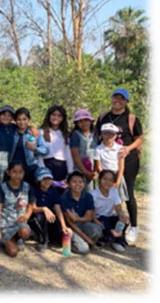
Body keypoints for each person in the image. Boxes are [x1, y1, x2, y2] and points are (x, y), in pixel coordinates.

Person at [95, 88, 143, 245]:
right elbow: (96, 137)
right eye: (115, 97)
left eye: (121, 99)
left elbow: (140, 138)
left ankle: (133, 226)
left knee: (127, 192)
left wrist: (128, 149)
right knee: (106, 191)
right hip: (106, 160)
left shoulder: (131, 118)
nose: (118, 101)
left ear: (126, 101)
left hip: (127, 161)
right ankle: (110, 224)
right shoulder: (103, 117)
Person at [0, 161, 34, 257]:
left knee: (25, 232)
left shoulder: (27, 187)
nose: (17, 175)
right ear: (8, 172)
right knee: (13, 253)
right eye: (14, 172)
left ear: (24, 173)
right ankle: (8, 239)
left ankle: (18, 238)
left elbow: (31, 205)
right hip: (6, 224)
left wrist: (27, 216)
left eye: (20, 172)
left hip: (20, 222)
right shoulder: (3, 188)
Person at [28, 166, 71, 251]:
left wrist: (63, 226)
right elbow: (33, 209)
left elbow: (58, 209)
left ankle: (52, 237)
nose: (47, 181)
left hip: (50, 218)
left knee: (58, 232)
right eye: (44, 179)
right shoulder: (33, 190)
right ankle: (42, 241)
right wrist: (44, 209)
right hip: (37, 216)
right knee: (40, 217)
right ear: (38, 180)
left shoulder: (53, 191)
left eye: (49, 178)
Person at [61, 170, 103, 254]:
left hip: (84, 224)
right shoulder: (65, 197)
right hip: (72, 228)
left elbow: (89, 217)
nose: (77, 184)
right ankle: (77, 242)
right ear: (69, 184)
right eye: (74, 182)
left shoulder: (88, 196)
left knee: (97, 230)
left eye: (80, 182)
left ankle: (84, 241)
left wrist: (76, 219)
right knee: (83, 250)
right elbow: (71, 223)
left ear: (84, 184)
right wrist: (89, 241)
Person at [92, 169, 130, 252]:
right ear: (99, 180)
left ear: (113, 182)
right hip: (98, 219)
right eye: (104, 179)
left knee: (124, 221)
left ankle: (114, 239)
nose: (107, 182)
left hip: (110, 217)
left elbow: (118, 209)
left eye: (110, 180)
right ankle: (107, 238)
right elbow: (92, 214)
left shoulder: (114, 192)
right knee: (104, 224)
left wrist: (122, 216)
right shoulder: (93, 194)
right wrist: (99, 223)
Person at [8, 107, 47, 185]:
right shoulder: (11, 131)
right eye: (19, 119)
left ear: (29, 119)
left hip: (30, 167)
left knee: (30, 191)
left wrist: (35, 149)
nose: (22, 122)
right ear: (15, 120)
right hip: (14, 168)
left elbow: (45, 150)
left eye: (24, 119)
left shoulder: (34, 133)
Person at [40, 105, 73, 185]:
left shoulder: (65, 134)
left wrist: (70, 172)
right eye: (53, 115)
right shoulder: (41, 132)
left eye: (59, 116)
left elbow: (68, 155)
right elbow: (39, 154)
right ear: (49, 116)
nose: (56, 118)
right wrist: (42, 170)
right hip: (47, 165)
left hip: (61, 167)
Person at [94, 124, 127, 202]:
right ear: (101, 135)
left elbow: (121, 166)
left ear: (115, 136)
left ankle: (118, 214)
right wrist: (104, 179)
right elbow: (99, 166)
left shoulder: (120, 148)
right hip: (104, 175)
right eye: (105, 133)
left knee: (118, 200)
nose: (108, 136)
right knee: (104, 199)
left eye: (111, 134)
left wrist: (118, 181)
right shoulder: (98, 149)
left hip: (116, 175)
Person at [69, 109, 98, 190]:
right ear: (77, 123)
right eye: (80, 121)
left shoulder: (95, 135)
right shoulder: (75, 135)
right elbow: (75, 155)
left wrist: (95, 170)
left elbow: (98, 153)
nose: (84, 123)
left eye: (86, 120)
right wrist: (85, 172)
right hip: (79, 170)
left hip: (92, 170)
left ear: (91, 121)